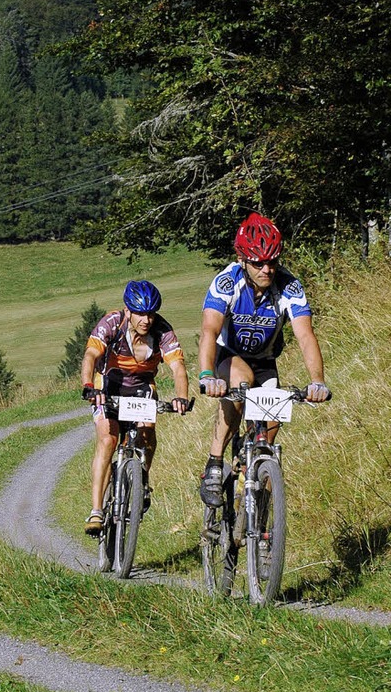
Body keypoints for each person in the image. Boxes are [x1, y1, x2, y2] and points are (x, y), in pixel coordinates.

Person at [198, 212, 330, 508]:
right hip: (229, 356)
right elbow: (209, 330)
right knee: (240, 386)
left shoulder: (288, 286)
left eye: (273, 261)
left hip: (266, 360)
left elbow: (305, 335)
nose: (267, 269)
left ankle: (260, 518)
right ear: (243, 259)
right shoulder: (226, 282)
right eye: (258, 263)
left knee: (269, 434)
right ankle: (215, 462)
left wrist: (317, 381)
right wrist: (207, 375)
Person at [81, 279, 190, 536]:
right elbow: (91, 355)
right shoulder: (112, 322)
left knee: (147, 431)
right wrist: (89, 385)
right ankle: (96, 510)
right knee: (108, 439)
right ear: (128, 310)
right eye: (140, 313)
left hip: (141, 386)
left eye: (151, 314)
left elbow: (177, 366)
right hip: (108, 384)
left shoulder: (163, 331)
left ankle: (142, 481)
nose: (146, 320)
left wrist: (181, 397)